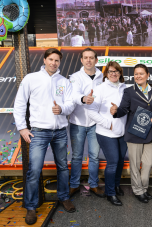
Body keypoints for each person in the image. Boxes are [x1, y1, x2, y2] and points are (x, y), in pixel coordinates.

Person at [13, 48, 76, 225]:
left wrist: (62, 109)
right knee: (34, 170)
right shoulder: (31, 79)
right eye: (51, 59)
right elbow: (19, 104)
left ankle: (64, 197)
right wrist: (22, 129)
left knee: (63, 166)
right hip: (39, 132)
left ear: (60, 62)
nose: (53, 63)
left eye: (57, 60)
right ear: (44, 59)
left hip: (60, 131)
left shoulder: (64, 81)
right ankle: (31, 207)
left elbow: (71, 104)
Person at [110, 64, 152, 203]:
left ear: (147, 75)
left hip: (149, 132)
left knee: (148, 163)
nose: (138, 76)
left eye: (141, 73)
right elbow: (123, 109)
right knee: (135, 164)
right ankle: (138, 190)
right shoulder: (129, 91)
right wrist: (116, 111)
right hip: (134, 133)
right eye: (136, 74)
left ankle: (144, 187)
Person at [86, 61, 127, 206]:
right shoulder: (100, 88)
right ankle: (110, 193)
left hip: (122, 132)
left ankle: (115, 185)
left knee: (121, 160)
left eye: (116, 71)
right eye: (110, 72)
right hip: (106, 132)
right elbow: (90, 111)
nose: (114, 74)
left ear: (120, 73)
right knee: (113, 162)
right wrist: (107, 123)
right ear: (106, 74)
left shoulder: (125, 88)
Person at [68, 48, 105, 198]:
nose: (88, 60)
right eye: (86, 58)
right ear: (81, 60)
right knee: (77, 156)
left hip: (95, 123)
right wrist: (83, 98)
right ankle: (74, 185)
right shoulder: (75, 77)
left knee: (94, 156)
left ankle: (94, 184)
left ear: (96, 60)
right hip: (78, 122)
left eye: (91, 58)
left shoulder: (102, 75)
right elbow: (73, 95)